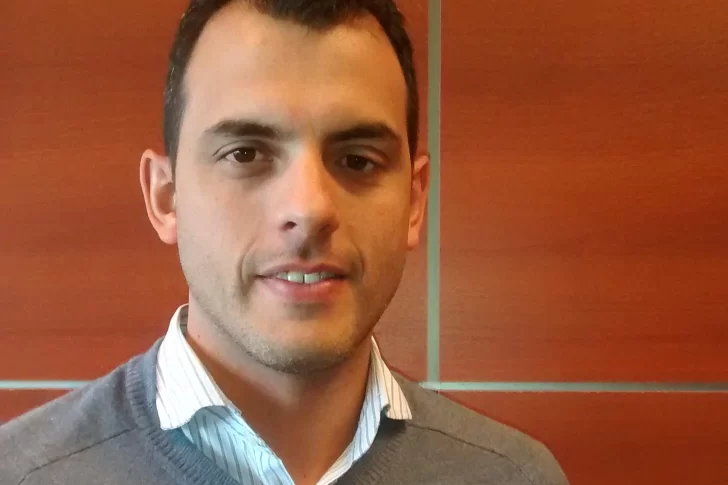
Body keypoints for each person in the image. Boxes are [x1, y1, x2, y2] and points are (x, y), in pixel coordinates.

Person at [1, 1, 569, 484]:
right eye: (245, 153)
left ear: (414, 202)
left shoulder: (513, 477)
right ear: (166, 198)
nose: (310, 209)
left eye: (357, 160)